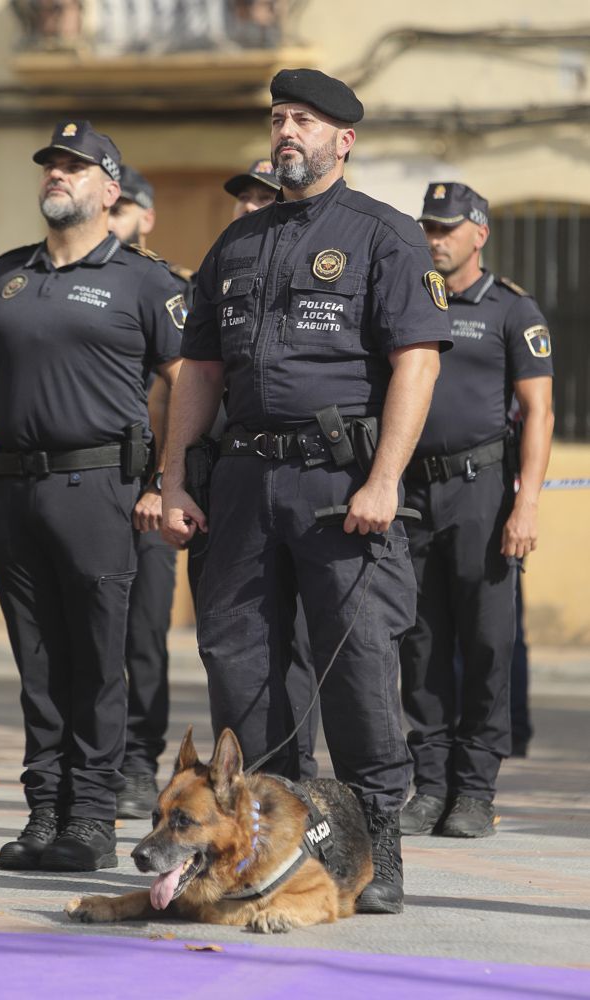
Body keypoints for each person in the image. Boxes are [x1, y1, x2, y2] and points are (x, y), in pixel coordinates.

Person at [162, 68, 451, 914]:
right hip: (247, 482)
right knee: (239, 661)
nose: (287, 131)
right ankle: (263, 836)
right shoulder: (237, 244)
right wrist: (173, 474)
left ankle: (377, 850)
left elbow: (418, 362)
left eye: (305, 121)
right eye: (280, 118)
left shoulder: (383, 235)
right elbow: (201, 369)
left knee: (357, 664)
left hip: (341, 484)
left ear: (343, 140)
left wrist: (386, 478)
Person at [0, 121, 184, 871]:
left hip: (99, 489)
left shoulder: (145, 280)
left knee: (96, 662)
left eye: (75, 168)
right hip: (12, 487)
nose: (57, 175)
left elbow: (186, 384)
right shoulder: (9, 274)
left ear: (110, 191)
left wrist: (164, 482)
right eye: (51, 165)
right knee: (38, 664)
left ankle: (92, 820)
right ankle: (44, 812)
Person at [399, 182, 554, 839]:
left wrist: (526, 505)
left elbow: (540, 412)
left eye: (447, 228)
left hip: (482, 490)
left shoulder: (512, 311)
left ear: (478, 234)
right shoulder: (409, 301)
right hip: (411, 493)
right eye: (429, 227)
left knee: (487, 645)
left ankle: (474, 791)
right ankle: (430, 785)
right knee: (419, 642)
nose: (436, 239)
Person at [224, 157, 319, 780]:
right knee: (234, 646)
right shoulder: (222, 266)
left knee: (300, 647)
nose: (252, 206)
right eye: (245, 197)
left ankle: (297, 778)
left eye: (265, 196)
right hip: (230, 481)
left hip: (308, 477)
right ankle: (252, 784)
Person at [107, 166, 193, 818]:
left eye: (127, 210)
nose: (115, 220)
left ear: (147, 217)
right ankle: (95, 758)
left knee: (143, 634)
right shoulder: (80, 283)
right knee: (86, 635)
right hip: (91, 485)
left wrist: (164, 482)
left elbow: (180, 389)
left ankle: (139, 761)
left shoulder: (166, 288)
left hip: (149, 489)